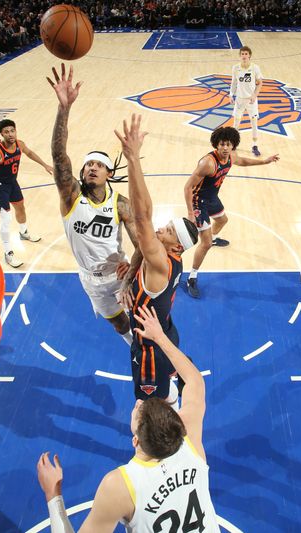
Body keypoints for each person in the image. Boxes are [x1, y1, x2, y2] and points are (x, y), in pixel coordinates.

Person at [37, 304, 220, 532]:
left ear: (135, 441)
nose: (139, 402)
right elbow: (195, 380)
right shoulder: (191, 442)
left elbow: (194, 381)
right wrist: (161, 337)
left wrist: (52, 494)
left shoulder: (121, 486)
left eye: (138, 409)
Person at [47, 63, 142, 344]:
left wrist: (131, 273)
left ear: (108, 174)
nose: (92, 167)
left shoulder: (120, 204)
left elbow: (142, 246)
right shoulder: (71, 196)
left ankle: (156, 359)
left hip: (119, 272)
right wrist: (64, 108)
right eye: (88, 163)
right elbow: (58, 155)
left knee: (142, 316)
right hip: (90, 279)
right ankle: (133, 349)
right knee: (119, 323)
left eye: (99, 165)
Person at [107, 111, 198, 402]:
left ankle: (172, 402)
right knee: (162, 386)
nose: (161, 228)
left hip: (150, 349)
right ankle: (174, 382)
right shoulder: (171, 259)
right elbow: (147, 214)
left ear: (176, 247)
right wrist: (129, 283)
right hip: (165, 331)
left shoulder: (159, 260)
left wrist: (133, 159)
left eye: (168, 230)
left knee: (152, 405)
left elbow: (142, 216)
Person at [183, 126, 279, 299]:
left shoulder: (231, 156)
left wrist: (264, 161)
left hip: (212, 197)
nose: (225, 148)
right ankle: (192, 277)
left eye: (228, 144)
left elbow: (243, 161)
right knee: (204, 244)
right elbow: (188, 186)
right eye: (222, 144)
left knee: (222, 220)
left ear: (232, 145)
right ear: (216, 145)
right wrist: (191, 212)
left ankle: (211, 239)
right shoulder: (208, 163)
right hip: (199, 202)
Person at [0, 119, 51, 267]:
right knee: (6, 218)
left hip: (12, 182)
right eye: (6, 132)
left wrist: (44, 165)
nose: (10, 134)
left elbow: (29, 153)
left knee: (20, 207)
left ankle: (23, 233)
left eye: (12, 131)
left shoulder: (20, 144)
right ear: (1, 134)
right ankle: (8, 253)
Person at [230, 45, 263, 156]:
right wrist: (231, 94)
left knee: (253, 122)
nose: (244, 56)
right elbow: (234, 82)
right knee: (236, 122)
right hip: (240, 99)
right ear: (240, 56)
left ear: (249, 56)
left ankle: (255, 145)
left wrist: (254, 95)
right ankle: (234, 143)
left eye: (246, 54)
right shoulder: (235, 68)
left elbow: (260, 83)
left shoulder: (255, 68)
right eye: (242, 54)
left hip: (251, 100)